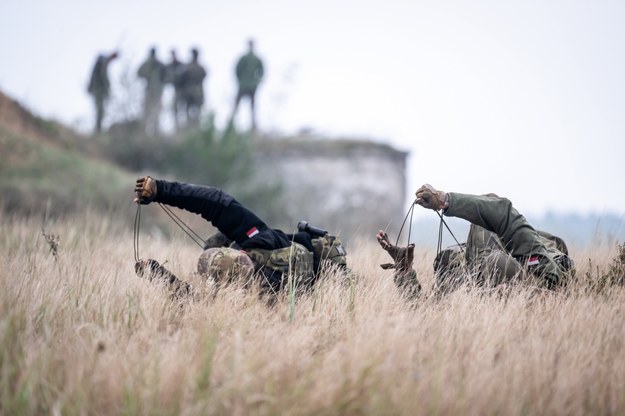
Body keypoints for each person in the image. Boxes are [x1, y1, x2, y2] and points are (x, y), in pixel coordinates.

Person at [133, 176, 348, 298]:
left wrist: (161, 189)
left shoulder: (261, 241)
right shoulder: (258, 244)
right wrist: (154, 271)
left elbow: (216, 202)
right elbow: (217, 202)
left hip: (324, 275)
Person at [377, 184, 574, 298]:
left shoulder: (545, 273)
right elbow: (425, 316)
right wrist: (405, 271)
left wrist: (445, 200)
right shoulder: (469, 283)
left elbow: (501, 212)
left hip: (531, 273)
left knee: (495, 257)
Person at [229, 39, 264, 130]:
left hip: (245, 85)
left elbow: (237, 70)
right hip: (250, 85)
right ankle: (250, 126)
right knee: (251, 107)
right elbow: (261, 73)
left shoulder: (247, 58)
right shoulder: (254, 59)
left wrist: (240, 80)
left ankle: (232, 126)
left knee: (240, 106)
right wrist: (256, 81)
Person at [87, 51, 118, 133]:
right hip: (98, 90)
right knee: (100, 110)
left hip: (98, 90)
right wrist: (107, 88)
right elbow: (103, 77)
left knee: (100, 110)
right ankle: (98, 130)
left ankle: (98, 129)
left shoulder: (103, 62)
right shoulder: (102, 62)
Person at [137, 47, 167, 135]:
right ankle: (147, 130)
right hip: (151, 90)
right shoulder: (152, 64)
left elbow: (167, 75)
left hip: (156, 91)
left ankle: (154, 130)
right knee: (150, 110)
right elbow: (139, 73)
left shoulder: (157, 64)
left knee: (154, 110)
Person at [179, 48, 207, 129]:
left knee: (191, 110)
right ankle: (193, 126)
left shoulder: (188, 67)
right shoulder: (200, 68)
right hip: (194, 92)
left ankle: (193, 126)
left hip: (191, 91)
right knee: (192, 110)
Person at [164, 49, 185, 130]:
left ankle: (182, 126)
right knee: (174, 109)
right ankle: (176, 126)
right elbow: (167, 78)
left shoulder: (181, 65)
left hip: (181, 90)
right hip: (173, 90)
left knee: (182, 108)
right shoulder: (169, 66)